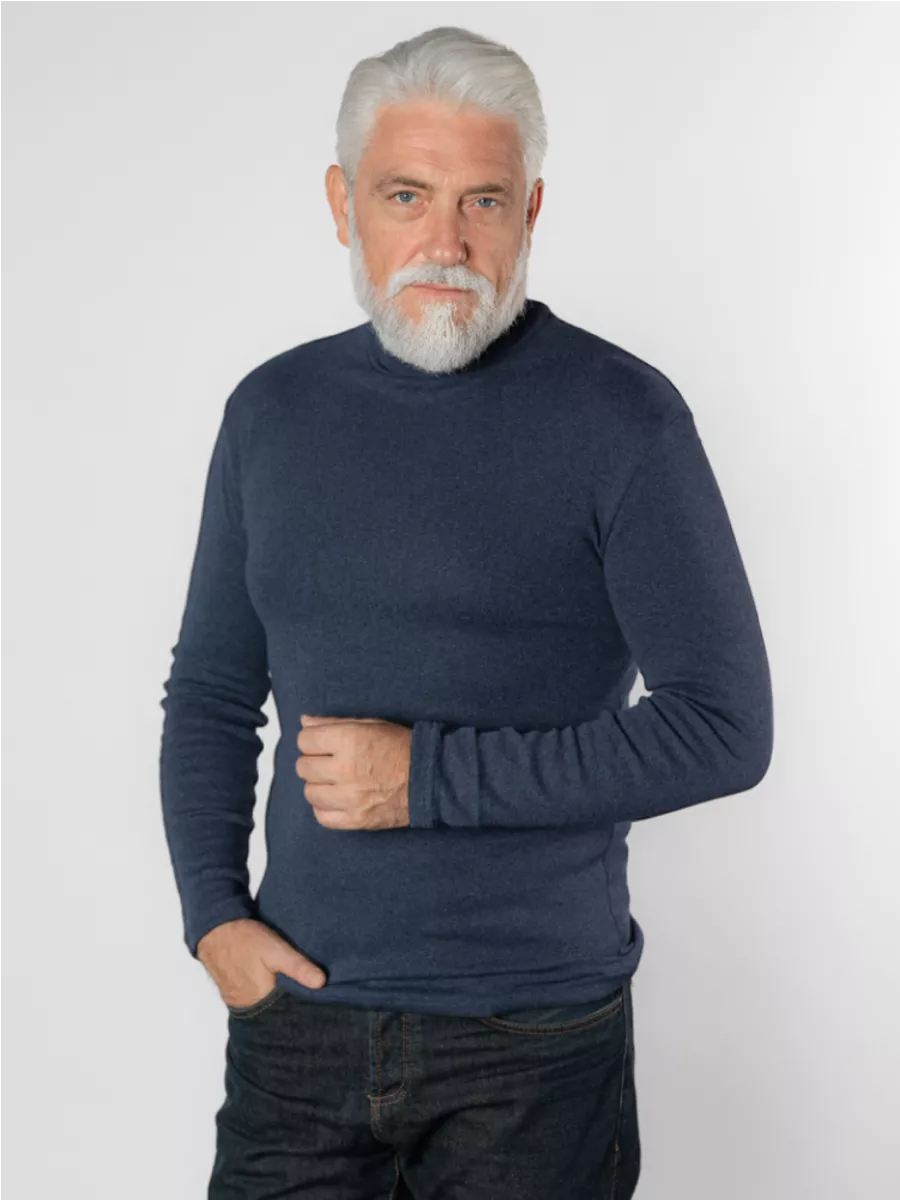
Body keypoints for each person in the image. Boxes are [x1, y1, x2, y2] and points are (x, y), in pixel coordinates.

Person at [158, 24, 773, 1199]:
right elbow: (213, 693)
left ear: (530, 211)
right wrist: (211, 917)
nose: (446, 243)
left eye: (482, 202)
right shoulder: (271, 413)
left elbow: (725, 727)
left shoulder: (624, 421)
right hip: (298, 1027)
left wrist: (426, 779)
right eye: (407, 195)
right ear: (342, 203)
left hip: (531, 1041)